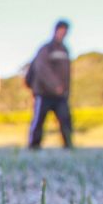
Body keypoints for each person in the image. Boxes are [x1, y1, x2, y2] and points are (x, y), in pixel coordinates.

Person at [24, 19, 74, 149]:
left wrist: (66, 90)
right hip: (44, 92)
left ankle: (68, 145)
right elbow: (42, 69)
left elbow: (67, 74)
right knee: (39, 120)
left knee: (65, 119)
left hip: (61, 95)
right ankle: (34, 146)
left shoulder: (65, 50)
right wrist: (54, 85)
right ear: (56, 30)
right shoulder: (46, 49)